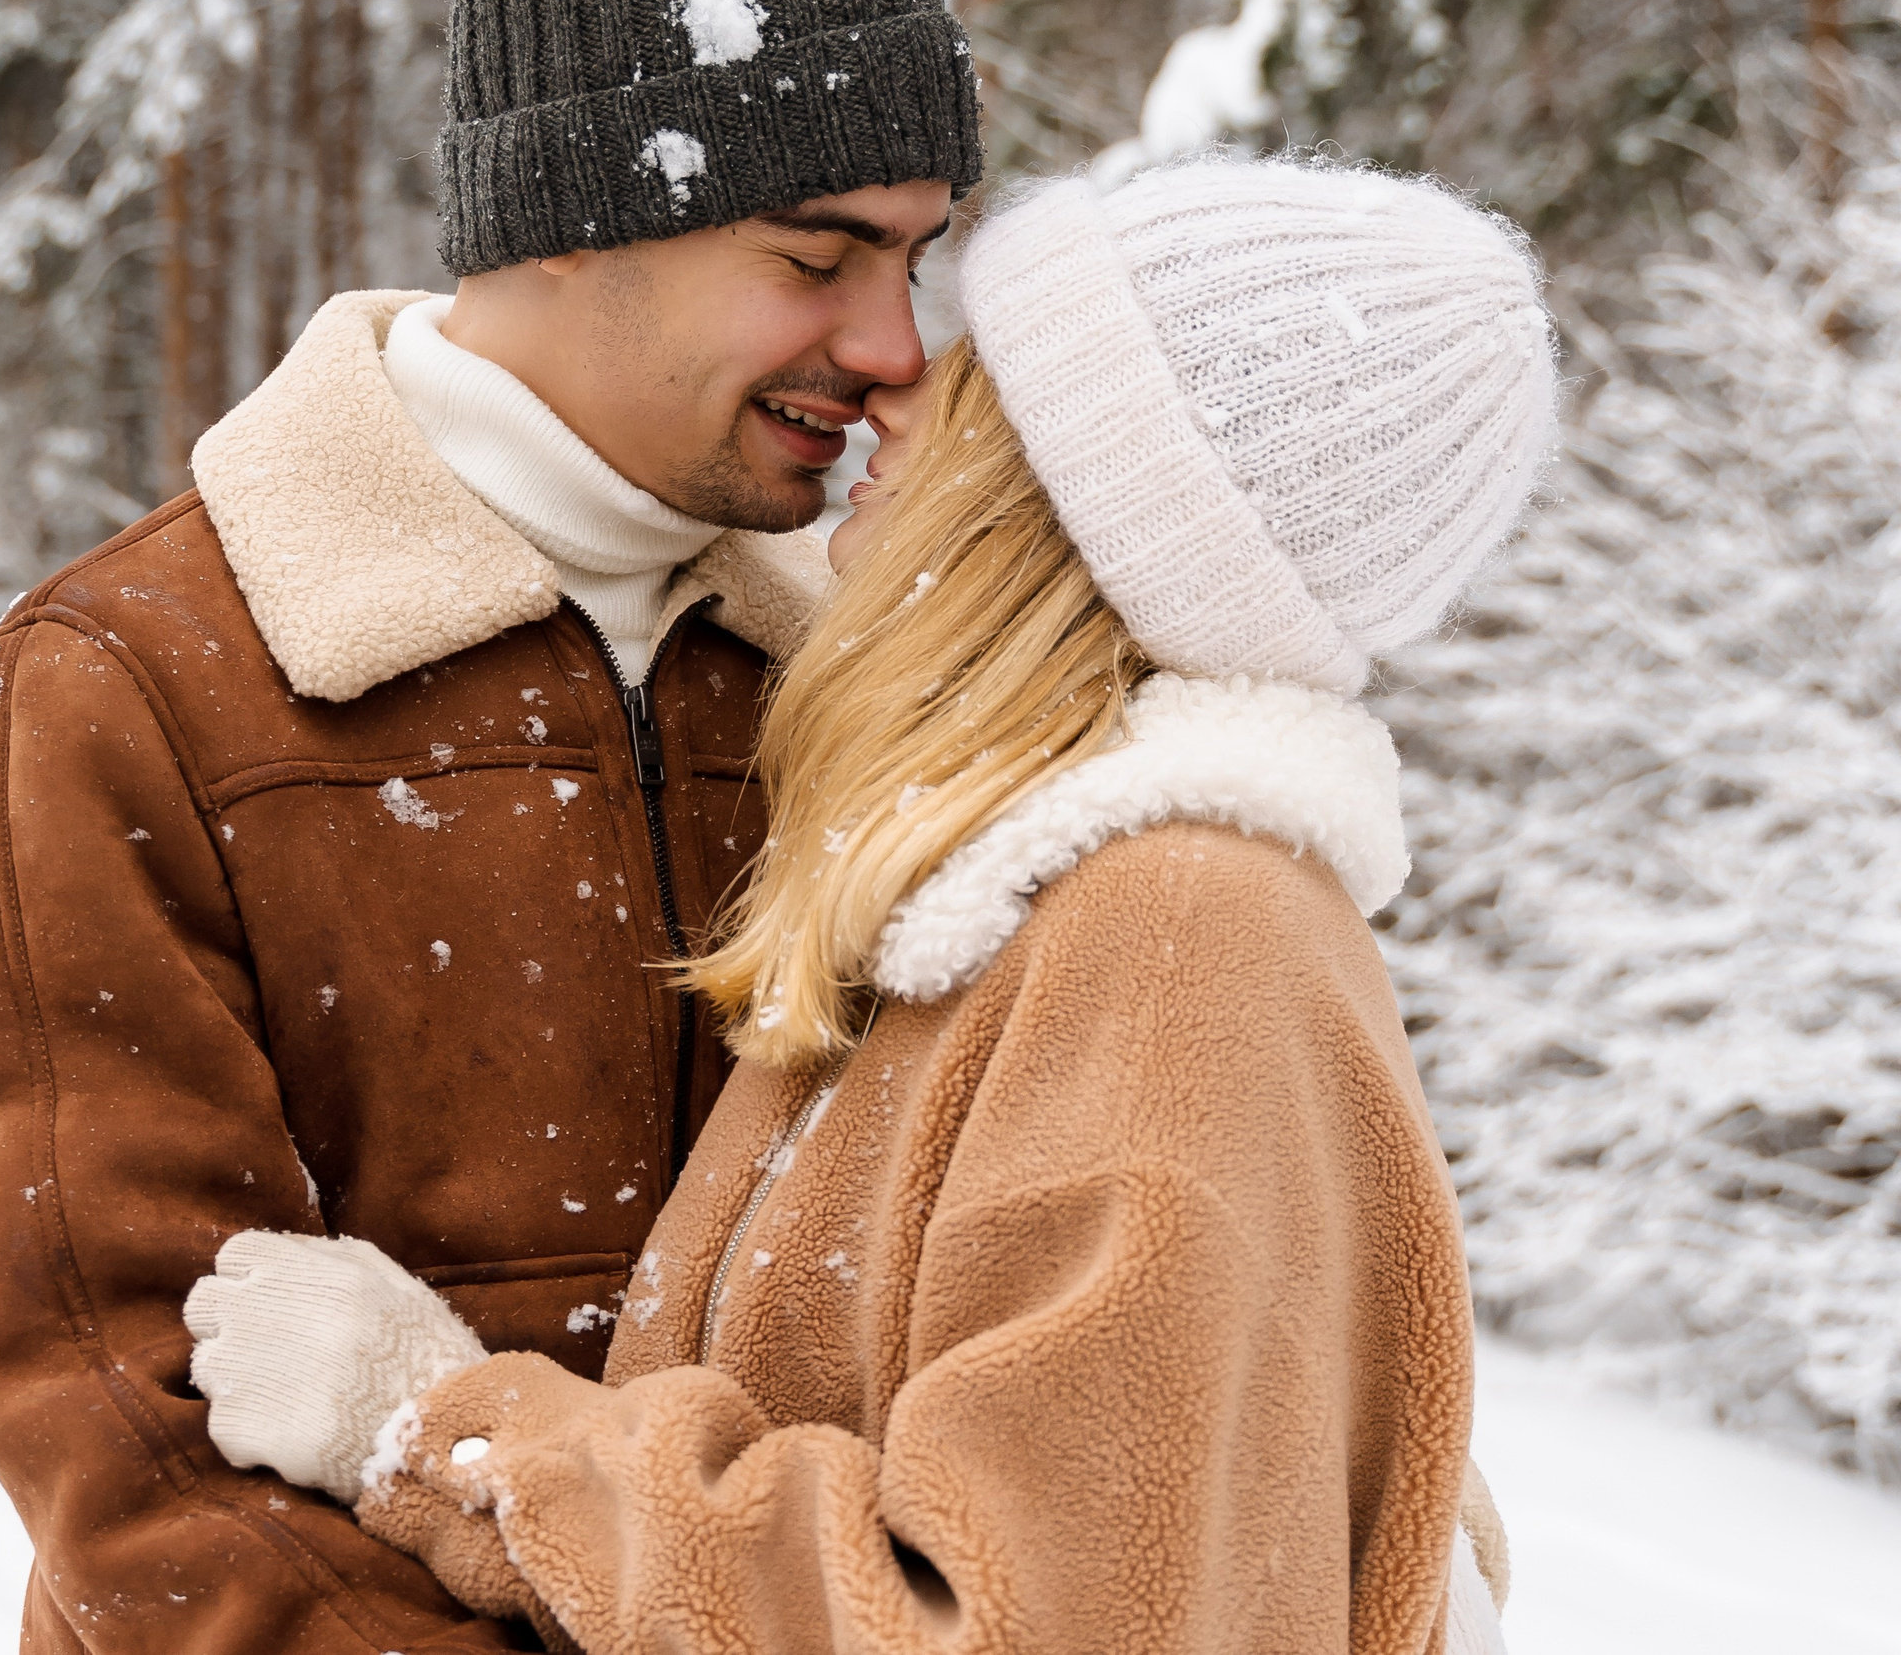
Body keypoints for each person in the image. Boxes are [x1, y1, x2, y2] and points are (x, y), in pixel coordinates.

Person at [183, 155, 1557, 1655]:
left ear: (1086, 493)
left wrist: (449, 1437)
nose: (895, 386)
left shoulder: (1174, 941)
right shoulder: (1056, 906)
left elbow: (1020, 1630)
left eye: (983, 372)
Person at [0, 0, 980, 1649]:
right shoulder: (138, 675)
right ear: (571, 208)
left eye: (918, 256)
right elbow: (120, 1397)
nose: (890, 345)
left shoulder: (866, 684)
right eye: (817, 253)